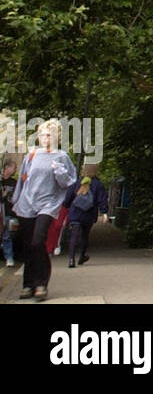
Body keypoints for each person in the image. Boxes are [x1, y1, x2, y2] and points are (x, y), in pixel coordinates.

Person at [11, 120, 77, 301]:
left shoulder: (62, 156)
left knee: (38, 241)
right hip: (27, 203)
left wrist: (60, 172)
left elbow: (69, 182)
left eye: (48, 135)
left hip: (48, 204)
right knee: (27, 245)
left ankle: (41, 284)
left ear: (56, 137)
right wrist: (15, 201)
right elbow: (23, 180)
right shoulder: (31, 155)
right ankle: (28, 285)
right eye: (41, 135)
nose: (44, 138)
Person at [64, 168, 107, 266]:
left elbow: (68, 199)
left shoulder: (75, 182)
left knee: (73, 236)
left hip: (75, 213)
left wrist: (67, 205)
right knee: (85, 236)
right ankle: (82, 256)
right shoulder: (98, 184)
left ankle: (71, 259)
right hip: (89, 214)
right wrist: (104, 212)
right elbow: (102, 199)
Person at [1, 160, 17, 266]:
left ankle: (9, 257)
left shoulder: (14, 182)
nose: (15, 170)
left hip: (11, 213)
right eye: (14, 167)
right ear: (7, 168)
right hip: (1, 212)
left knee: (8, 235)